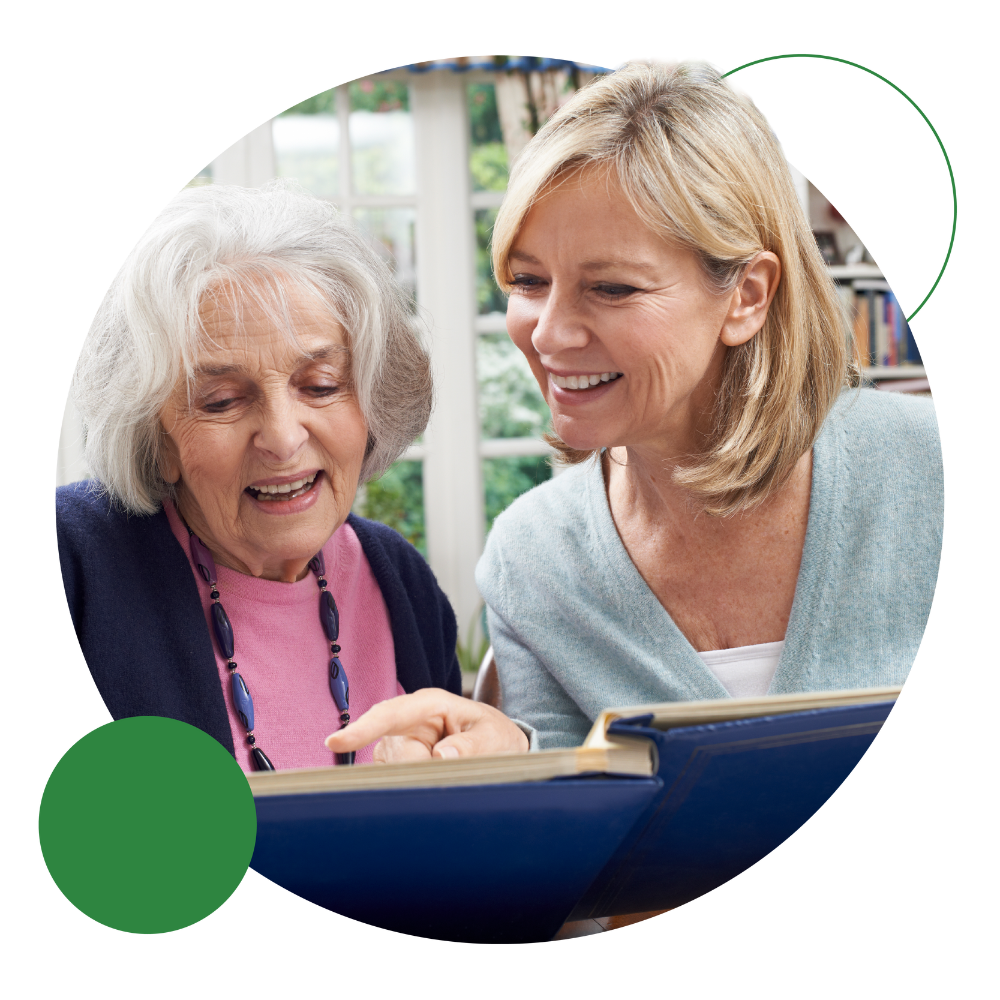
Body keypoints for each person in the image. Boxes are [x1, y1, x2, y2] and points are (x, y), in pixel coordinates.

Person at [327, 55, 944, 758]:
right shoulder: (535, 560)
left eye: (611, 288)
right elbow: (570, 804)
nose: (548, 334)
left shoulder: (927, 469)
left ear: (746, 296)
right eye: (528, 281)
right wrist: (509, 765)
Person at [54, 181, 522, 773]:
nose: (282, 437)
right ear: (157, 437)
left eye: (321, 386)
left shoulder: (400, 580)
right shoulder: (76, 561)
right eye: (222, 401)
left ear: (371, 403)